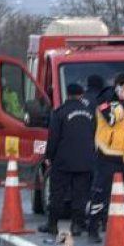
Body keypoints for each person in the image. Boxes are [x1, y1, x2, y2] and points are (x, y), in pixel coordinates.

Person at [88, 73, 124, 244]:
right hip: (107, 154)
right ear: (118, 87)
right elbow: (111, 120)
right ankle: (93, 228)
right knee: (100, 193)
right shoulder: (104, 100)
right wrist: (120, 105)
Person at [40, 82, 96, 236]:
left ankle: (52, 224)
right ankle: (77, 225)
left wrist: (48, 156)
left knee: (57, 194)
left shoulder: (59, 113)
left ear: (68, 94)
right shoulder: (91, 114)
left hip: (63, 161)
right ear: (81, 95)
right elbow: (95, 135)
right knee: (81, 194)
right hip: (85, 160)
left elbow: (53, 138)